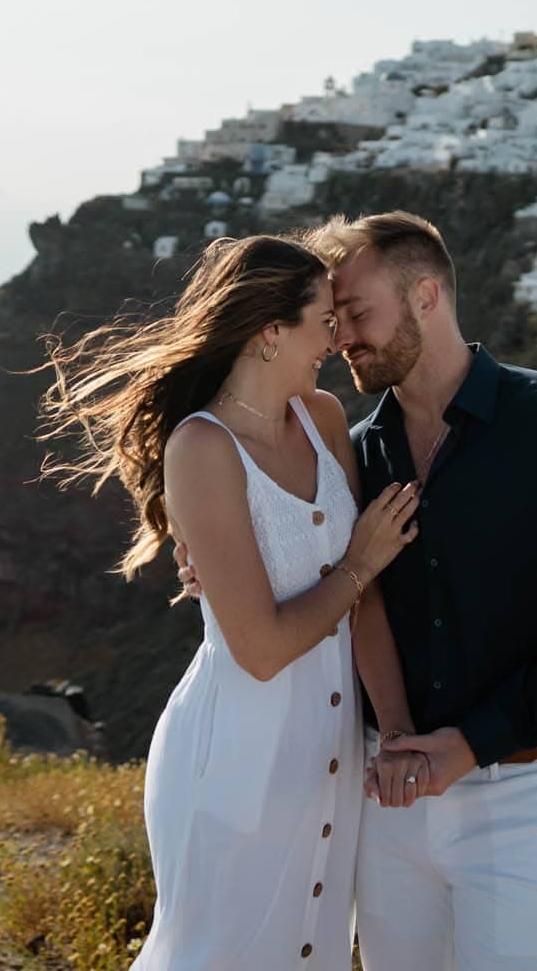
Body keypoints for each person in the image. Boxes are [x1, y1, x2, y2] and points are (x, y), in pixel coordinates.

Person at [39, 234, 422, 968]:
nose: (336, 339)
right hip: (238, 757)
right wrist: (358, 564)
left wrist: (396, 729)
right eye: (322, 321)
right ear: (271, 332)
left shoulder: (324, 418)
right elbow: (262, 647)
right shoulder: (202, 449)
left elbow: (363, 608)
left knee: (312, 953)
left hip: (331, 759)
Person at [316, 210, 537, 971]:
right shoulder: (358, 453)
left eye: (358, 313)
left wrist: (467, 747)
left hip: (522, 802)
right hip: (390, 797)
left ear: (426, 297)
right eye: (334, 320)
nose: (342, 338)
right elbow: (344, 595)